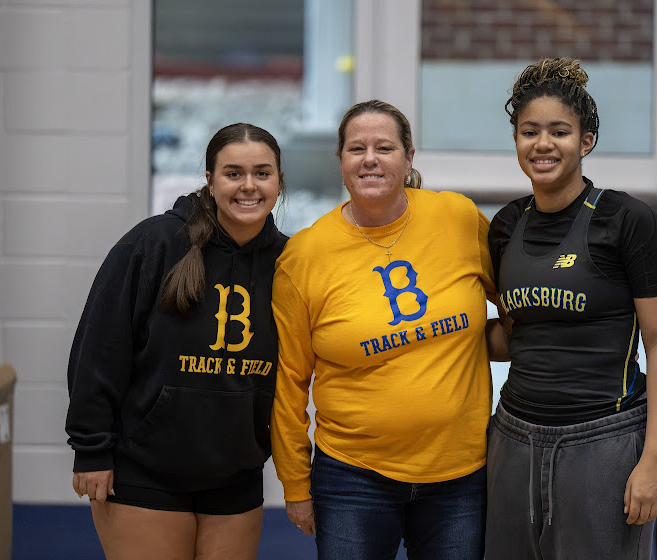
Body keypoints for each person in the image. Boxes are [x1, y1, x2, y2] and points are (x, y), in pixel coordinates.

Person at [270, 99, 498, 559]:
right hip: (353, 477)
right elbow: (288, 383)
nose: (370, 158)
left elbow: (519, 306)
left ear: (409, 157)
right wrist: (295, 483)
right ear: (340, 162)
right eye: (356, 148)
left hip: (459, 475)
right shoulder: (305, 256)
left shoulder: (457, 218)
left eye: (385, 147)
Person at [485, 57, 657, 560]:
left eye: (559, 131)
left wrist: (655, 459)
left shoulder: (627, 220)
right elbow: (516, 333)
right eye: (529, 131)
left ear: (586, 141)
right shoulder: (507, 225)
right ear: (515, 140)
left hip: (603, 439)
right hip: (513, 434)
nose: (543, 144)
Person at [65, 123, 288, 560]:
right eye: (233, 173)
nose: (248, 186)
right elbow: (99, 350)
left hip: (236, 473)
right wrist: (91, 448)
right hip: (145, 470)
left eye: (262, 173)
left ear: (279, 181)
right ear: (209, 180)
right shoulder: (154, 244)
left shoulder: (290, 262)